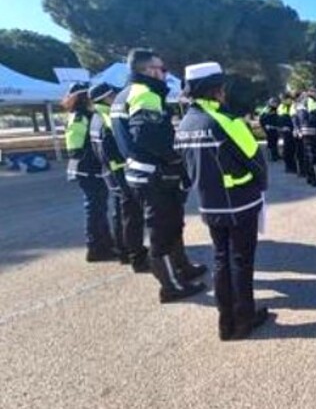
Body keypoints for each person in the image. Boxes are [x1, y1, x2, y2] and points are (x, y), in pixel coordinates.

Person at [175, 62, 269, 340]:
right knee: (241, 260)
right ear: (216, 90)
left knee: (220, 259)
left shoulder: (184, 124)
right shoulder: (227, 121)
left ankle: (224, 322)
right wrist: (261, 187)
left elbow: (184, 167)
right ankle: (244, 319)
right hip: (240, 202)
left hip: (208, 203)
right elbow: (255, 160)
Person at [111, 48, 206, 303]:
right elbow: (148, 135)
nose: (165, 74)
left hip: (141, 171)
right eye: (162, 69)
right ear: (147, 71)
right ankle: (171, 286)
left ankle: (182, 268)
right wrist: (176, 158)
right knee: (162, 231)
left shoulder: (122, 96)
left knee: (173, 224)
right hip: (154, 174)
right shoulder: (145, 94)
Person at [89, 83, 149, 272]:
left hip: (109, 173)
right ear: (107, 97)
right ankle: (136, 256)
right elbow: (116, 148)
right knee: (132, 216)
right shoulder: (108, 117)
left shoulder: (95, 117)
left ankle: (124, 251)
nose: (117, 96)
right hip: (120, 172)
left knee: (119, 214)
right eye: (113, 94)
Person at [63, 82, 116, 262]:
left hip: (91, 169)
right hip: (87, 169)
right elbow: (74, 148)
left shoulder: (87, 114)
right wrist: (94, 158)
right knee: (94, 208)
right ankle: (96, 248)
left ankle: (105, 243)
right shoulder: (79, 116)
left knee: (99, 207)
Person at [297, 88, 316, 186]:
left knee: (308, 155)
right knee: (314, 156)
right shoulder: (311, 101)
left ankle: (310, 178)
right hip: (312, 131)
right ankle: (315, 180)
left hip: (305, 131)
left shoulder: (301, 102)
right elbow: (315, 116)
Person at [277, 94, 296, 174]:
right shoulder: (281, 107)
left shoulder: (293, 105)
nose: (283, 101)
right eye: (282, 100)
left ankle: (294, 166)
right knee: (286, 150)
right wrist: (282, 127)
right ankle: (288, 167)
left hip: (292, 130)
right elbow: (279, 119)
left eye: (285, 99)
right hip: (284, 132)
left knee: (293, 150)